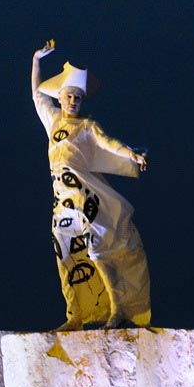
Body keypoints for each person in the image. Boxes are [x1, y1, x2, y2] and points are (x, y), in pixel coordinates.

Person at [31, 40, 152, 330]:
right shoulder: (54, 121)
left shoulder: (86, 127)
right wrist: (36, 60)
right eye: (70, 96)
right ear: (61, 97)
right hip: (62, 199)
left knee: (97, 248)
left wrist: (131, 154)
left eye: (78, 98)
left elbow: (108, 143)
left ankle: (117, 309)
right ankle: (75, 315)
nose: (74, 101)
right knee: (66, 253)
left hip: (86, 197)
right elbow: (37, 95)